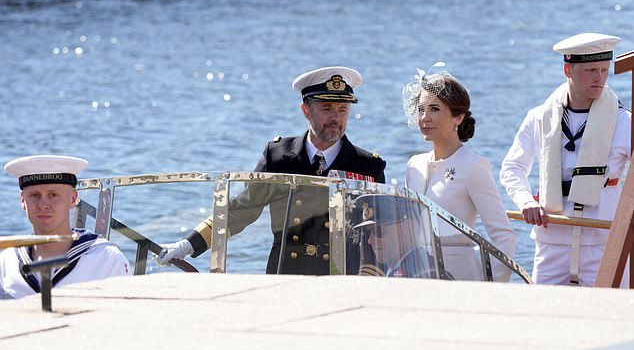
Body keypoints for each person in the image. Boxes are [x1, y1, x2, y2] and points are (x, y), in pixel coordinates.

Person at [156, 66, 386, 275]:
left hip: (345, 275)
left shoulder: (368, 166)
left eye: (343, 109)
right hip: (287, 273)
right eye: (326, 108)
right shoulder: (278, 156)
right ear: (306, 110)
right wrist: (187, 245)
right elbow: (242, 210)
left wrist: (372, 276)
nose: (336, 117)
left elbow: (381, 232)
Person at [500, 33, 631, 287]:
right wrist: (526, 201)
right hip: (552, 240)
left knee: (607, 318)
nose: (599, 78)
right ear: (567, 70)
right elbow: (512, 168)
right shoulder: (538, 117)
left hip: (603, 239)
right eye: (591, 69)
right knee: (546, 318)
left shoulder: (625, 121)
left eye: (604, 70)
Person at [403, 71, 516, 281]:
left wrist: (491, 288)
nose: (424, 117)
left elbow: (504, 237)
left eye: (434, 109)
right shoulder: (414, 165)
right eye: (421, 110)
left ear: (458, 117)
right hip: (418, 276)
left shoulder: (474, 166)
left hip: (461, 279)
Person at [0, 155, 131, 299]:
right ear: (23, 200)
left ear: (73, 198)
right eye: (35, 195)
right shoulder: (7, 262)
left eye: (53, 195)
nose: (43, 204)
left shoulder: (105, 259)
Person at [353, 194, 440, 279]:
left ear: (407, 229)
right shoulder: (411, 272)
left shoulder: (420, 276)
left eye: (377, 231)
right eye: (368, 232)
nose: (370, 240)